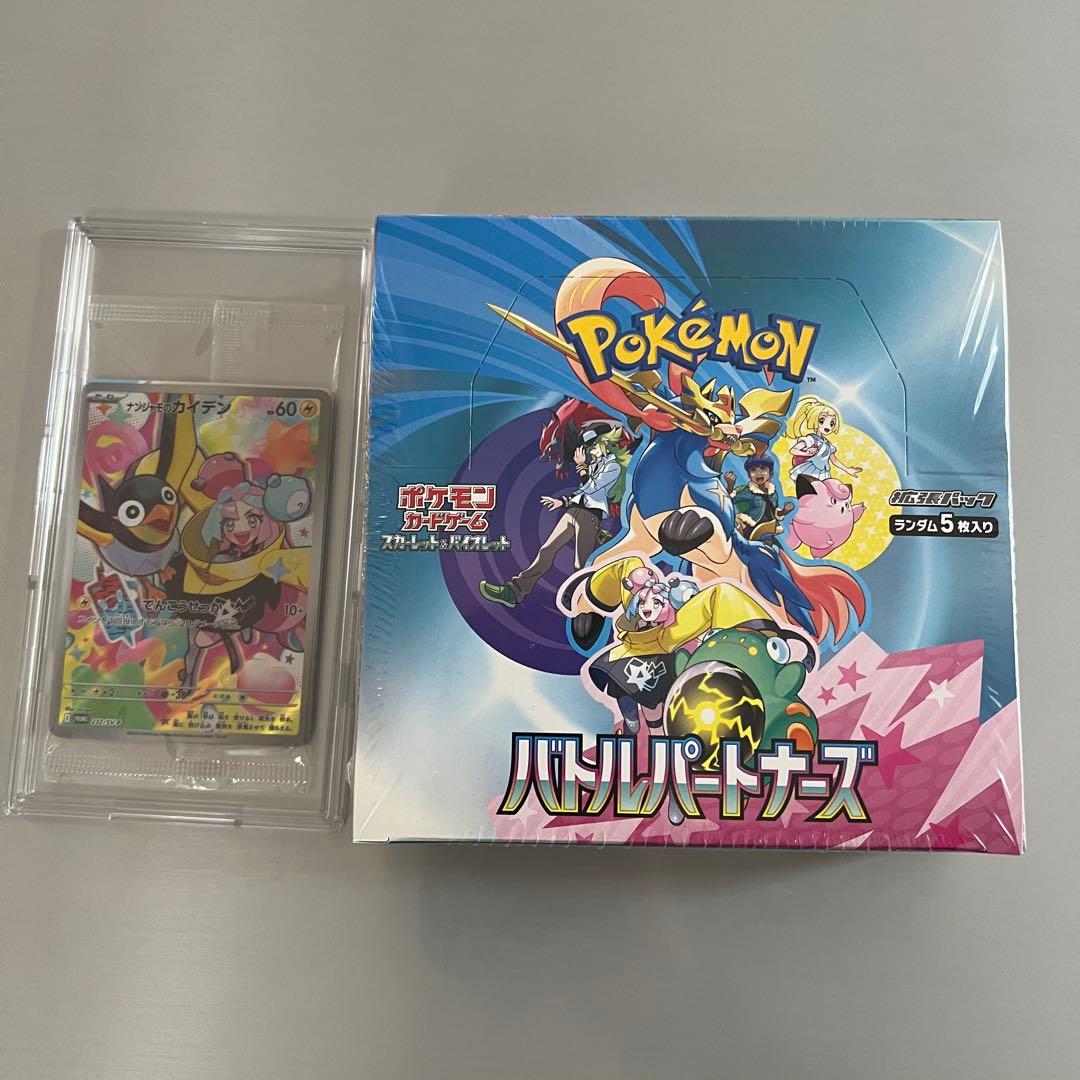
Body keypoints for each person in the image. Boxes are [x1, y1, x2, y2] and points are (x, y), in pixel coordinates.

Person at [480, 428, 621, 608]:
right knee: (546, 550)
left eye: (592, 447)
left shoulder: (613, 467)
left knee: (581, 564)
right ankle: (514, 591)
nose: (590, 451)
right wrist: (561, 501)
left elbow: (592, 487)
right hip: (574, 511)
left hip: (590, 516)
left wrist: (581, 466)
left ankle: (584, 605)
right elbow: (582, 493)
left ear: (604, 443)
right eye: (588, 448)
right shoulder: (594, 466)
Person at [787, 397, 863, 482]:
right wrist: (805, 453)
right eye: (822, 420)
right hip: (808, 470)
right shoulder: (811, 440)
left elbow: (834, 460)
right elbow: (793, 450)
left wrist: (847, 469)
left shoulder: (828, 444)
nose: (828, 426)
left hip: (823, 473)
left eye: (832, 423)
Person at [724, 456, 794, 542]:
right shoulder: (748, 491)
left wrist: (785, 511)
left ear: (770, 473)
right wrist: (730, 486)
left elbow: (774, 511)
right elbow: (730, 500)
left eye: (763, 469)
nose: (758, 473)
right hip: (753, 528)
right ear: (749, 475)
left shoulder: (772, 493)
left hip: (769, 528)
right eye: (753, 470)